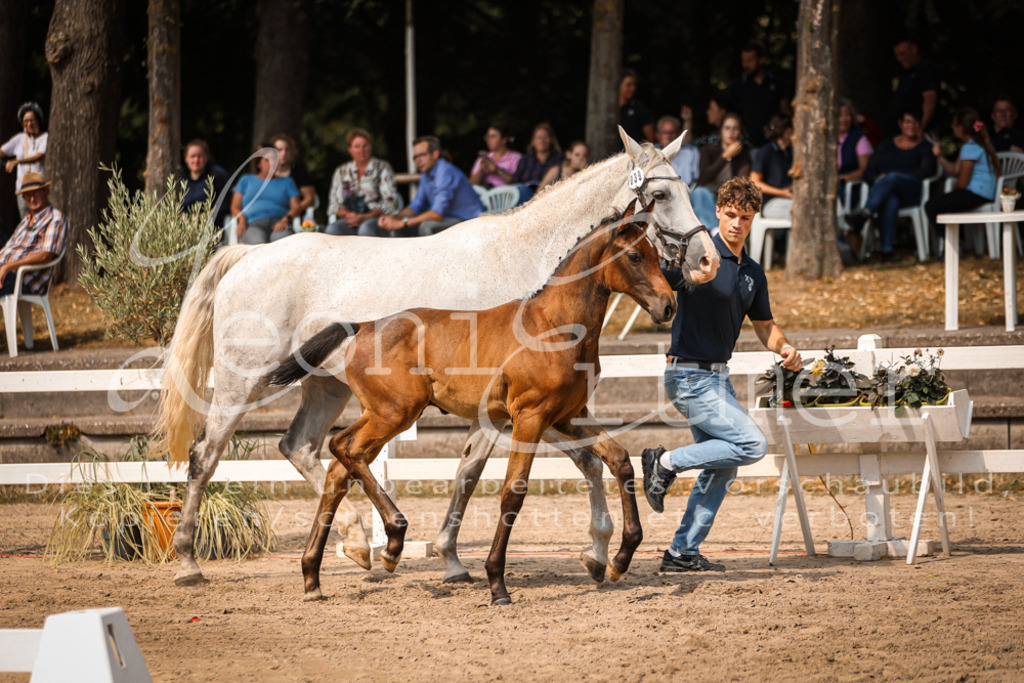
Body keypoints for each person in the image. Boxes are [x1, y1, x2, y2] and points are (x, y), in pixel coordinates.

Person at [641, 176, 801, 573]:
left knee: (724, 465)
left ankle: (682, 552)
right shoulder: (698, 255)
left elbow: (765, 326)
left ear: (753, 219)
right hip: (687, 377)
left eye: (745, 217)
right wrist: (689, 277)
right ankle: (665, 462)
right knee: (752, 444)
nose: (736, 224)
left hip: (717, 379)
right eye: (730, 215)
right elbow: (657, 282)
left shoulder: (752, 272)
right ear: (717, 212)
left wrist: (784, 347)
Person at [844, 108, 937, 261]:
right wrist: (879, 180)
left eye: (915, 123)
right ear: (900, 123)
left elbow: (926, 172)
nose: (911, 126)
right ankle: (887, 251)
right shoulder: (886, 145)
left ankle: (863, 215)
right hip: (885, 193)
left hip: (912, 192)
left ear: (920, 125)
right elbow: (868, 172)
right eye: (908, 122)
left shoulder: (925, 147)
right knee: (891, 198)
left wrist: (892, 177)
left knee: (892, 177)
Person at [369, 135, 482, 237]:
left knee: (426, 226)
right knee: (398, 229)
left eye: (422, 155)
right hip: (449, 219)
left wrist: (403, 222)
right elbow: (415, 207)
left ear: (435, 154)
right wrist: (394, 218)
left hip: (469, 221)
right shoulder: (426, 176)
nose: (418, 160)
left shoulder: (445, 171)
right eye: (415, 157)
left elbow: (437, 214)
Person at [925, 108, 999, 253]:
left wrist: (954, 188)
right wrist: (939, 156)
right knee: (940, 202)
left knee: (931, 206)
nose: (953, 128)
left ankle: (954, 246)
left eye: (954, 125)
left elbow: (962, 182)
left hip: (977, 194)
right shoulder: (973, 145)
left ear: (961, 128)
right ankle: (956, 244)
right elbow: (954, 170)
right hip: (984, 193)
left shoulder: (970, 148)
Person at [0, 172, 68, 297]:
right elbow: (8, 248)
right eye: (27, 195)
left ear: (46, 192)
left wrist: (8, 267)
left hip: (23, 279)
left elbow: (46, 255)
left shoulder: (55, 219)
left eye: (35, 193)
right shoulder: (26, 220)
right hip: (6, 272)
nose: (32, 199)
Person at [324, 128, 399, 236]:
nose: (362, 150)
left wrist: (367, 217)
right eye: (357, 146)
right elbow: (333, 203)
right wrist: (347, 214)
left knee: (365, 229)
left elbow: (390, 200)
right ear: (350, 149)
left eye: (365, 146)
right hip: (350, 220)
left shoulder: (382, 167)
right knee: (332, 230)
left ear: (370, 146)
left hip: (375, 218)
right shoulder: (341, 171)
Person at [688, 113, 751, 229]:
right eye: (727, 128)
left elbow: (742, 181)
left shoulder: (744, 153)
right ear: (720, 131)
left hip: (730, 197)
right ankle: (713, 230)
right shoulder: (708, 150)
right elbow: (703, 179)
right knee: (698, 192)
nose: (731, 132)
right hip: (708, 196)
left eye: (735, 128)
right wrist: (725, 156)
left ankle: (720, 231)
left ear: (740, 133)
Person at [722, 41, 790, 148]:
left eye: (750, 60)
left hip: (774, 142)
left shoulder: (776, 81)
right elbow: (727, 112)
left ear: (761, 60)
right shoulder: (737, 84)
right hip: (749, 143)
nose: (745, 65)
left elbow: (784, 110)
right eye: (743, 61)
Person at [230, 144, 302, 244]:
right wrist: (242, 220)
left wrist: (285, 219)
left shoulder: (288, 182)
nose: (272, 163)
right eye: (267, 160)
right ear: (258, 164)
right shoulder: (246, 180)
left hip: (279, 224)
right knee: (258, 244)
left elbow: (296, 207)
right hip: (253, 225)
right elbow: (235, 207)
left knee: (283, 243)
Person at [1, 103, 48, 218]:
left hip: (39, 187)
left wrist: (17, 161)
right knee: (26, 220)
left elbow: (39, 156)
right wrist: (4, 163)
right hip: (22, 189)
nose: (29, 124)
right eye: (26, 121)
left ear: (38, 120)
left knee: (41, 220)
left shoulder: (44, 137)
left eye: (32, 120)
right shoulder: (19, 138)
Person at [750, 114, 794, 219]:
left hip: (790, 199)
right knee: (798, 211)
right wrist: (782, 193)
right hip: (771, 203)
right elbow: (754, 182)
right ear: (788, 131)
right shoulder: (766, 152)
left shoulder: (791, 151)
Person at [890, 38, 939, 133]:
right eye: (897, 55)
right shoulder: (905, 73)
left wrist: (921, 127)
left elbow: (930, 99)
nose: (900, 59)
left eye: (903, 54)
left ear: (914, 49)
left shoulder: (925, 70)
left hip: (919, 131)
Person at [177, 139, 229, 222]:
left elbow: (225, 205)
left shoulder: (218, 175)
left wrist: (202, 217)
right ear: (186, 158)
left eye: (200, 156)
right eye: (192, 156)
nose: (196, 160)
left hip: (209, 223)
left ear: (206, 157)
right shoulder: (179, 176)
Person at [509, 123, 562, 203]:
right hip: (524, 194)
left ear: (552, 140)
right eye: (539, 137)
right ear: (533, 141)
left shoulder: (559, 157)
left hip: (550, 196)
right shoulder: (525, 159)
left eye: (546, 137)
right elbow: (514, 182)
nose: (542, 141)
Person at [268, 133, 316, 214]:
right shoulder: (266, 172)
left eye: (287, 150)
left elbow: (310, 199)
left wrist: (292, 213)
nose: (283, 153)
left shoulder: (299, 171)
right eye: (279, 150)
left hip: (293, 216)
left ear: (292, 152)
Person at [469, 123, 522, 188]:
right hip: (486, 192)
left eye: (493, 136)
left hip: (508, 193)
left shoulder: (516, 157)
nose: (489, 140)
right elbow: (471, 184)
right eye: (488, 137)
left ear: (504, 139)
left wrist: (497, 170)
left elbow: (519, 183)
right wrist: (481, 171)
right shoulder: (483, 158)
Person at [654, 116, 700, 186]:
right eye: (664, 133)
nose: (668, 137)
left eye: (672, 132)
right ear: (657, 135)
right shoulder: (652, 153)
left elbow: (696, 178)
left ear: (679, 134)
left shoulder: (691, 151)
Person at [618, 69, 654, 143]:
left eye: (634, 85)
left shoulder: (639, 108)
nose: (633, 88)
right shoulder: (607, 108)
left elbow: (650, 137)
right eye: (628, 85)